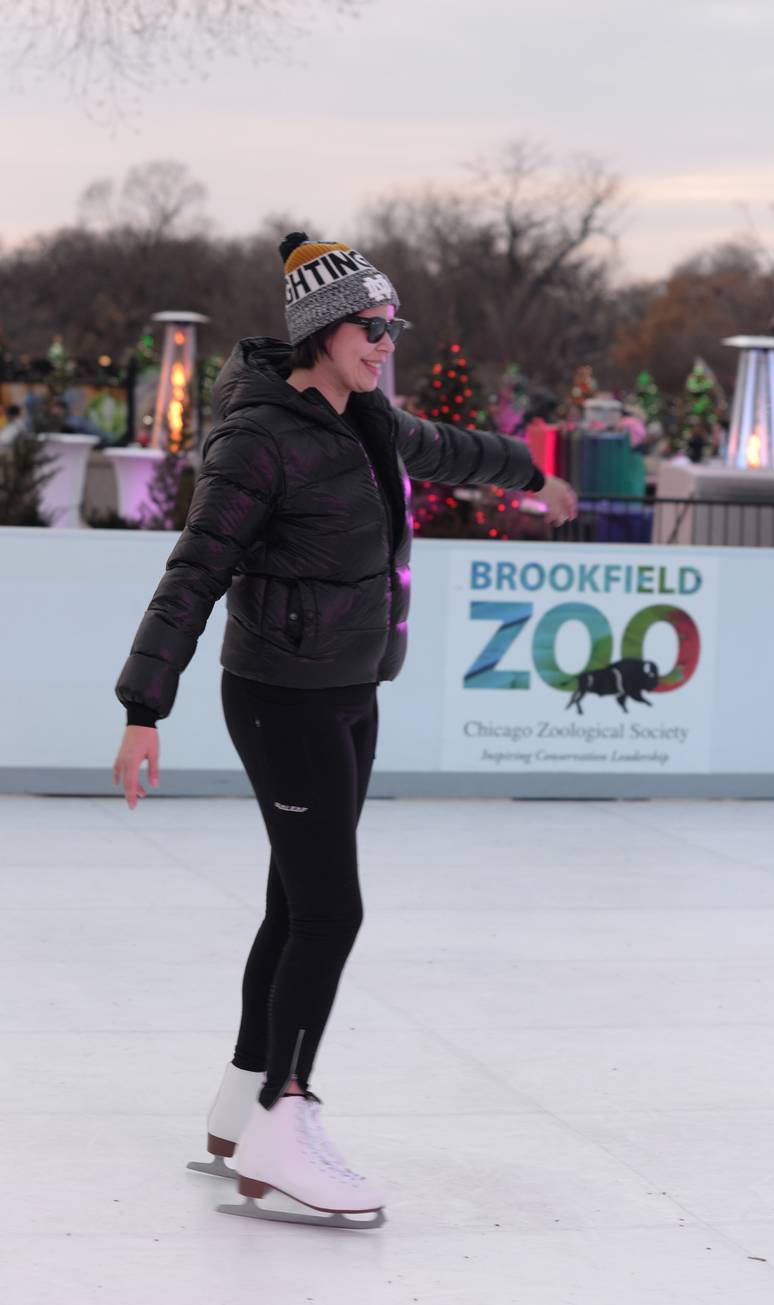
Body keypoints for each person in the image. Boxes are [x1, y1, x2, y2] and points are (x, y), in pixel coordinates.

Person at [112, 231, 578, 1229]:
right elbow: (193, 572)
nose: (385, 345)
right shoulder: (256, 437)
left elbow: (439, 448)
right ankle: (284, 1120)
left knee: (296, 902)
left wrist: (526, 475)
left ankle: (238, 1107)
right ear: (323, 332)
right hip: (281, 697)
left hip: (347, 689)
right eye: (373, 329)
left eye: (390, 328)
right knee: (332, 913)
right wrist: (144, 708)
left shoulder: (360, 416)